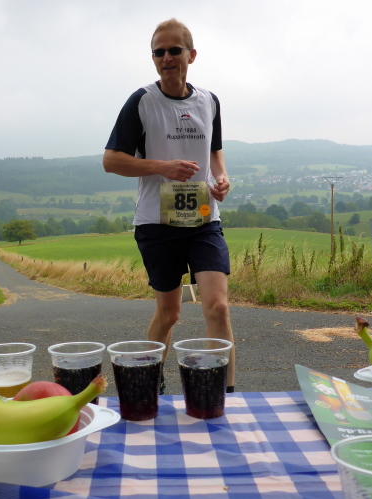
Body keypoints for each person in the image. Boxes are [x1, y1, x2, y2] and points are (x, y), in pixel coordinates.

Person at [103, 18, 235, 393]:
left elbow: (214, 149)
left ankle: (223, 394)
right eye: (158, 52)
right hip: (157, 224)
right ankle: (149, 383)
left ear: (191, 55)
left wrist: (221, 176)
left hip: (203, 219)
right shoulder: (142, 101)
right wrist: (163, 167)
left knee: (218, 305)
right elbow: (111, 160)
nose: (166, 58)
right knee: (169, 312)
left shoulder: (209, 101)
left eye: (174, 50)